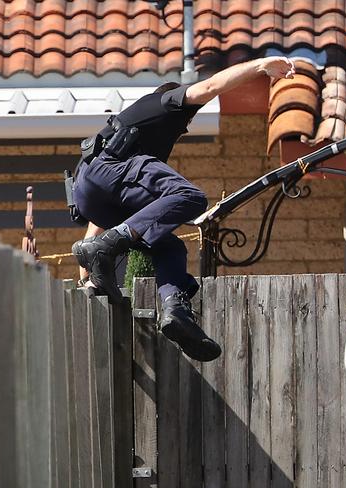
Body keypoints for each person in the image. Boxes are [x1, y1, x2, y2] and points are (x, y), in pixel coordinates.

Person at [71, 56, 296, 362]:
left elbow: (99, 214)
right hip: (109, 170)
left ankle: (175, 312)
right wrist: (261, 66)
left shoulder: (134, 132)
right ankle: (110, 247)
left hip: (94, 192)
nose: (186, 127)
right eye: (188, 122)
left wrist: (88, 276)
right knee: (189, 196)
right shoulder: (166, 102)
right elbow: (211, 86)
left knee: (169, 247)